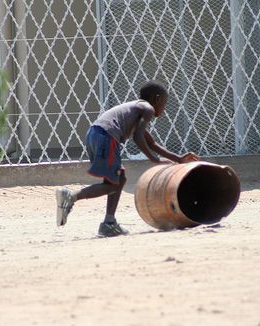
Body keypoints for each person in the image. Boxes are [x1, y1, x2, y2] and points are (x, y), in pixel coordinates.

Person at [56, 80, 199, 237]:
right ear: (157, 99)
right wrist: (154, 159)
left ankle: (109, 223)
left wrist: (178, 158)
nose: (163, 109)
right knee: (112, 185)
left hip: (95, 135)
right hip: (106, 136)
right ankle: (71, 197)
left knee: (119, 178)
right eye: (164, 103)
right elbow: (138, 138)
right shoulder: (147, 108)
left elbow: (151, 142)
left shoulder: (135, 110)